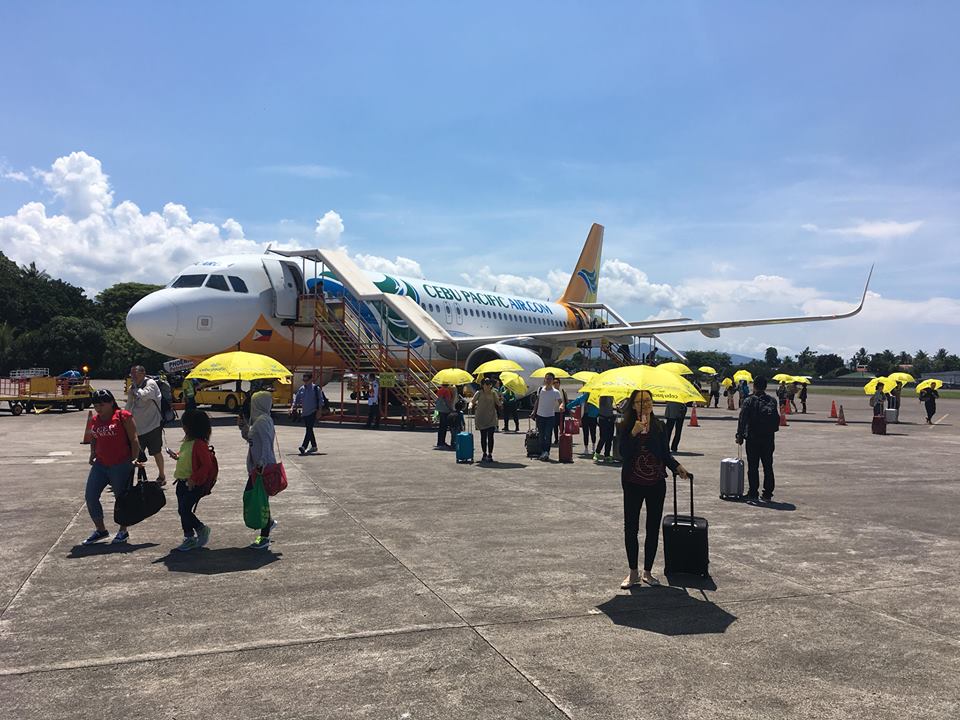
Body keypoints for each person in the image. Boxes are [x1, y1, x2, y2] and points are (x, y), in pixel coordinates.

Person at [618, 389, 689, 588]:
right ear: (633, 405)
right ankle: (633, 572)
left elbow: (665, 454)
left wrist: (676, 467)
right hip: (632, 482)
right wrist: (633, 432)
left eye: (648, 401)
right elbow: (622, 453)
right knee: (631, 528)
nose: (645, 405)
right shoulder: (625, 426)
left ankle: (647, 572)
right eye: (640, 402)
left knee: (652, 528)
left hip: (656, 482)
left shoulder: (660, 426)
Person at [83, 389, 142, 545]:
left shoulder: (123, 416)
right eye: (96, 405)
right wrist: (92, 453)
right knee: (90, 496)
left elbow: (134, 439)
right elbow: (94, 437)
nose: (98, 408)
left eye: (102, 404)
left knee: (121, 499)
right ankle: (101, 529)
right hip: (101, 464)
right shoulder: (95, 420)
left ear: (111, 402)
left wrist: (133, 459)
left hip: (120, 464)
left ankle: (123, 530)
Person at [168, 410, 216, 551]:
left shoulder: (199, 444)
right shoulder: (188, 441)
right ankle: (189, 536)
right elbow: (186, 456)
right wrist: (176, 456)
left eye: (184, 424)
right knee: (182, 510)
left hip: (192, 485)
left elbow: (206, 465)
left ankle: (201, 529)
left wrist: (193, 479)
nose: (182, 427)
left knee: (184, 509)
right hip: (181, 482)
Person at [239, 391, 278, 549]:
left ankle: (265, 536)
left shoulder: (262, 421)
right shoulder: (259, 420)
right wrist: (243, 426)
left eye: (253, 402)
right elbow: (251, 438)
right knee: (258, 498)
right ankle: (268, 524)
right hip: (257, 467)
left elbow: (266, 444)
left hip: (262, 468)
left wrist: (261, 464)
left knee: (258, 499)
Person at [736, 376, 780, 503]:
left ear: (754, 385)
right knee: (768, 466)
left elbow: (742, 419)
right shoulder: (772, 401)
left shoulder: (749, 400)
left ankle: (753, 492)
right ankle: (768, 493)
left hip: (753, 437)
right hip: (768, 438)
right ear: (765, 387)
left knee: (753, 466)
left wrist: (740, 435)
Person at [126, 365, 166, 484]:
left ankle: (162, 475)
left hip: (153, 425)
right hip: (138, 428)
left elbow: (143, 395)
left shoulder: (151, 384)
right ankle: (135, 479)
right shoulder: (132, 387)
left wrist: (134, 390)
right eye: (131, 375)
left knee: (156, 452)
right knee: (135, 455)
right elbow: (129, 405)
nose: (133, 377)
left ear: (143, 374)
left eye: (135, 375)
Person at [470, 377, 503, 463]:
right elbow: (472, 401)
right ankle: (484, 453)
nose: (488, 386)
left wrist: (501, 400)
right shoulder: (479, 393)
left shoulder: (493, 393)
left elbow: (498, 403)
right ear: (483, 385)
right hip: (481, 417)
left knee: (491, 437)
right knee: (483, 437)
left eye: (490, 384)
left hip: (491, 417)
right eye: (486, 384)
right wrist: (470, 405)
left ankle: (490, 454)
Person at [531, 373, 562, 461]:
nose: (548, 381)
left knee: (548, 435)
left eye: (550, 379)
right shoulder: (540, 389)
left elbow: (561, 402)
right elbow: (537, 401)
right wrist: (534, 411)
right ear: (544, 380)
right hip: (540, 416)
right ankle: (542, 452)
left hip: (550, 416)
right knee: (541, 435)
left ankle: (546, 452)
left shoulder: (556, 392)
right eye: (547, 379)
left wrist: (561, 406)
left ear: (553, 381)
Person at [293, 373, 324, 454]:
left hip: (313, 411)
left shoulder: (316, 388)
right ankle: (314, 446)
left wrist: (319, 411)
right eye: (304, 380)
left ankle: (304, 446)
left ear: (311, 380)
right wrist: (293, 408)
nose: (305, 382)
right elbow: (296, 399)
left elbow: (321, 400)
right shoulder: (302, 389)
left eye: (306, 380)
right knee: (309, 429)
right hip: (305, 412)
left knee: (309, 429)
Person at [567, 391, 599, 456]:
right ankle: (590, 448)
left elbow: (574, 402)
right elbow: (574, 402)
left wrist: (568, 407)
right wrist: (568, 407)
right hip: (587, 416)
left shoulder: (589, 397)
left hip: (589, 416)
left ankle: (591, 448)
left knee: (589, 432)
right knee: (589, 432)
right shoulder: (586, 397)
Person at [595, 394, 617, 463]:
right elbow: (603, 406)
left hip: (611, 418)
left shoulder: (612, 395)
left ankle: (607, 455)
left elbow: (611, 406)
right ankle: (597, 452)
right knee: (603, 437)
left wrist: (615, 408)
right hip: (603, 418)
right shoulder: (603, 396)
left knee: (610, 438)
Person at [435, 382, 455, 448]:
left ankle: (440, 442)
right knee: (444, 427)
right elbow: (447, 401)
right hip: (445, 411)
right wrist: (451, 409)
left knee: (441, 427)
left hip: (440, 409)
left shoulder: (440, 390)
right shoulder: (447, 391)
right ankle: (442, 443)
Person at [552, 377, 568, 444]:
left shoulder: (563, 391)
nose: (556, 384)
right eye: (554, 383)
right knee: (555, 426)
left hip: (561, 411)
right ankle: (556, 439)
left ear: (559, 383)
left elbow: (566, 400)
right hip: (554, 411)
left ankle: (561, 437)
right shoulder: (552, 392)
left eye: (557, 382)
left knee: (561, 426)